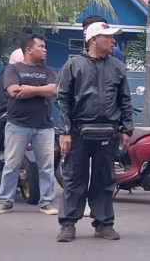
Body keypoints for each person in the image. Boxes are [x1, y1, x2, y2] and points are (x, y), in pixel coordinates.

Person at [55, 22, 133, 242]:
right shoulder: (73, 65)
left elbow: (125, 100)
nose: (112, 41)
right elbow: (62, 100)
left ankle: (104, 223)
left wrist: (127, 129)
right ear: (93, 39)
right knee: (73, 179)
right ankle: (68, 225)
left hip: (108, 133)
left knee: (105, 179)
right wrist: (65, 131)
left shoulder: (118, 67)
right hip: (78, 132)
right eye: (107, 37)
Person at [0, 36, 58, 215]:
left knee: (46, 166)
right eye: (41, 46)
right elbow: (13, 91)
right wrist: (39, 92)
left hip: (44, 126)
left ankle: (47, 202)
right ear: (29, 49)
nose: (45, 49)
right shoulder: (13, 69)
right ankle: (6, 201)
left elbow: (53, 90)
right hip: (17, 125)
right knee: (11, 164)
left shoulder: (48, 70)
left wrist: (29, 89)